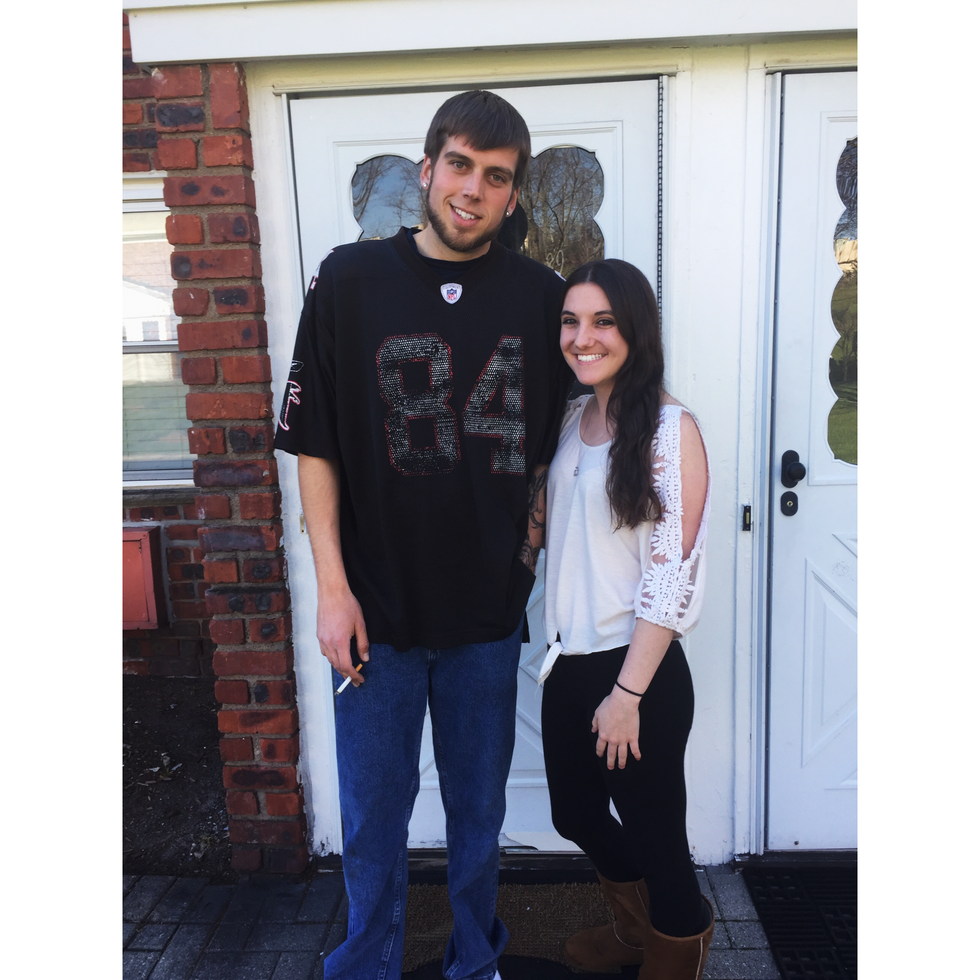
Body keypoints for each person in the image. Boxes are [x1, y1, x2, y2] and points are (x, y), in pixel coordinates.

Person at [274, 89, 570, 980]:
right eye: (460, 166)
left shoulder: (541, 297)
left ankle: (474, 962)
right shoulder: (349, 279)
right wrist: (332, 591)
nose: (473, 190)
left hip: (485, 616)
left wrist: (527, 563)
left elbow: (569, 439)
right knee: (373, 818)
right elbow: (315, 445)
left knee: (479, 814)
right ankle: (368, 964)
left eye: (497, 177)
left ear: (513, 195)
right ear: (427, 167)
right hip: (375, 615)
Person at [536, 259, 714, 980]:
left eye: (602, 321)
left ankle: (678, 949)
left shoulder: (670, 430)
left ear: (635, 329)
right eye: (570, 321)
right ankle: (638, 932)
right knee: (574, 815)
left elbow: (671, 576)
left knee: (657, 836)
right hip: (568, 661)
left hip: (637, 673)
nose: (582, 337)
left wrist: (628, 695)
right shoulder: (573, 420)